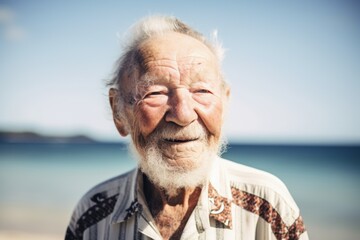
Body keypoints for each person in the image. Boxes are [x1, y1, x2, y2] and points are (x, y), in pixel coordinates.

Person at [65, 15, 309, 240]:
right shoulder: (92, 215)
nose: (183, 115)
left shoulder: (265, 205)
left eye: (202, 91)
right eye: (156, 92)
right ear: (119, 111)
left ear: (224, 102)